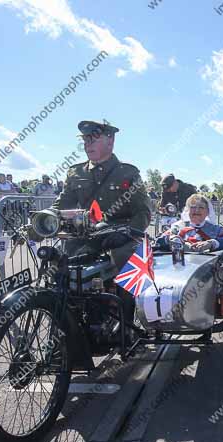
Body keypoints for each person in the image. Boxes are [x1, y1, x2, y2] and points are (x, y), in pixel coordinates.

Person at [34, 120, 151, 324]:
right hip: (88, 233)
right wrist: (43, 219)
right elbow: (63, 204)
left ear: (110, 140)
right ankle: (68, 324)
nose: (88, 144)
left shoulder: (127, 172)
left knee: (127, 264)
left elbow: (143, 211)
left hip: (121, 235)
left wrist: (129, 232)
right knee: (60, 268)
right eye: (86, 139)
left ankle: (127, 326)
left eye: (93, 138)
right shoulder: (76, 172)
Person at [155, 194, 223, 252]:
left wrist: (210, 243)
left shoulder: (216, 229)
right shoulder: (178, 227)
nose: (196, 210)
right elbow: (158, 242)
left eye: (201, 207)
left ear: (207, 212)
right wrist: (170, 239)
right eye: (193, 207)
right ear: (188, 210)